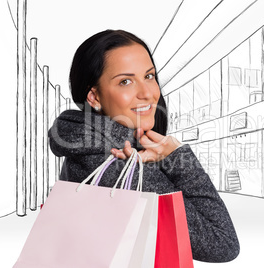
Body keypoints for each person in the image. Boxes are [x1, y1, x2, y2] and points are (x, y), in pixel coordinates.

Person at [48, 29, 240, 262]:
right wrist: (178, 157)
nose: (148, 93)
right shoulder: (120, 161)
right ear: (94, 97)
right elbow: (222, 243)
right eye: (126, 81)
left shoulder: (89, 141)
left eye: (149, 76)